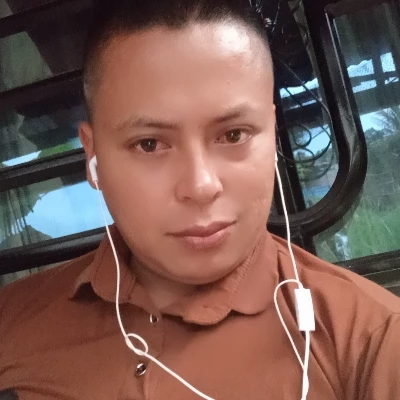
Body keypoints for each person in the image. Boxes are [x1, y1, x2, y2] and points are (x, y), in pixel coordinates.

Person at [0, 1, 399, 399]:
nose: (201, 185)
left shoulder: (371, 341)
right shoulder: (11, 323)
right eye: (149, 144)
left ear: (272, 133)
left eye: (234, 135)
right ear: (93, 156)